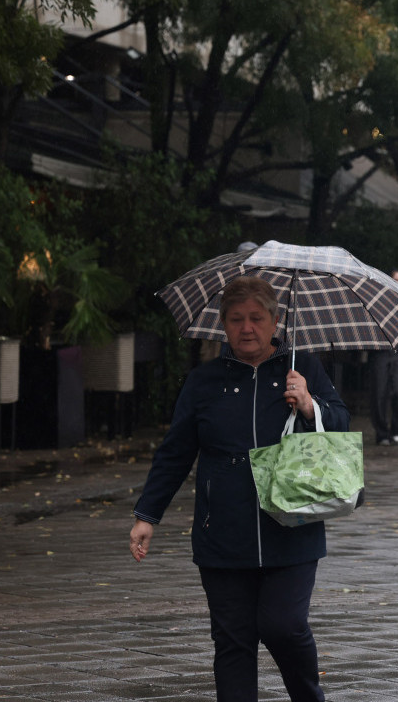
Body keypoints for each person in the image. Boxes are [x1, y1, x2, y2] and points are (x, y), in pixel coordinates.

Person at [129, 276, 349, 702]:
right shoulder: (203, 381)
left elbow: (340, 423)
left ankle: (309, 696)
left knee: (282, 624)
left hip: (292, 527)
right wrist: (146, 516)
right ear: (223, 325)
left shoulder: (303, 369)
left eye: (256, 318)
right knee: (232, 641)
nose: (246, 328)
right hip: (222, 531)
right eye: (236, 319)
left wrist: (308, 404)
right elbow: (175, 452)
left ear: (275, 321)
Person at [369, 269, 398, 446]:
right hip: (380, 349)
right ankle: (381, 432)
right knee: (379, 392)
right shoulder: (376, 301)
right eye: (395, 279)